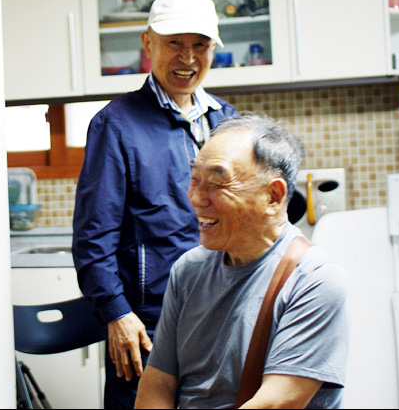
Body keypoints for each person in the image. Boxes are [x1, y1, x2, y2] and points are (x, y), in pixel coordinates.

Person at [72, 0, 238, 408]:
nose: (188, 58)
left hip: (223, 310)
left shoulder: (228, 121)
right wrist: (116, 313)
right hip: (147, 322)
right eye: (174, 43)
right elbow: (93, 237)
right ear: (148, 44)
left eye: (200, 45)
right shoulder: (116, 124)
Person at [134, 114, 349, 409]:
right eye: (195, 180)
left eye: (217, 182)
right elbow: (158, 381)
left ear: (273, 196)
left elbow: (276, 402)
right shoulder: (188, 270)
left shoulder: (314, 278)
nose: (196, 198)